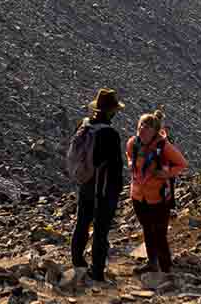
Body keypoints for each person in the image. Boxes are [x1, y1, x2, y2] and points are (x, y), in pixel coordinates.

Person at [68, 87, 126, 282]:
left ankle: (77, 261)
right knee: (101, 229)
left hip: (85, 183)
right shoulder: (110, 134)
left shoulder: (83, 125)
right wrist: (117, 189)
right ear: (111, 111)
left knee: (82, 222)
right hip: (104, 188)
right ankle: (98, 271)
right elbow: (116, 166)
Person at [126, 109, 188, 277]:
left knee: (159, 233)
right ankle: (152, 263)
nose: (142, 129)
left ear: (155, 131)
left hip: (159, 197)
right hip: (139, 196)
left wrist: (166, 173)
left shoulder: (164, 146)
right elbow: (129, 156)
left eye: (147, 127)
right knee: (147, 228)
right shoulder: (133, 143)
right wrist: (132, 163)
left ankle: (166, 268)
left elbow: (181, 164)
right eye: (140, 126)